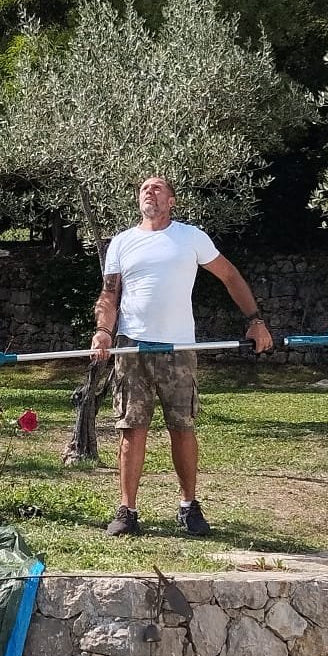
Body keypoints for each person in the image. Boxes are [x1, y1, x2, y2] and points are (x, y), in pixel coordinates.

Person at [89, 176, 273, 537]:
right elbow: (109, 296)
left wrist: (256, 321)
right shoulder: (122, 243)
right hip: (132, 346)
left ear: (172, 200)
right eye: (143, 188)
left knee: (183, 428)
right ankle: (127, 511)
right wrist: (103, 331)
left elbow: (230, 276)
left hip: (178, 348)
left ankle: (189, 506)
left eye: (157, 188)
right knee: (131, 429)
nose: (149, 192)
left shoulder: (190, 237)